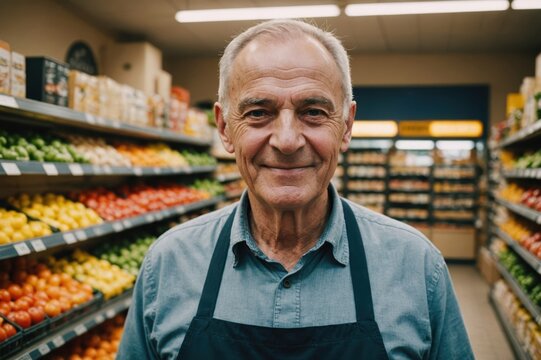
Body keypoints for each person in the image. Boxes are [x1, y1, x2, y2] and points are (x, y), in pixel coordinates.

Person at [118, 19, 473, 359]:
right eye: (258, 112)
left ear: (346, 126)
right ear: (225, 128)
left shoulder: (416, 266)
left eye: (314, 111)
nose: (287, 141)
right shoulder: (168, 265)